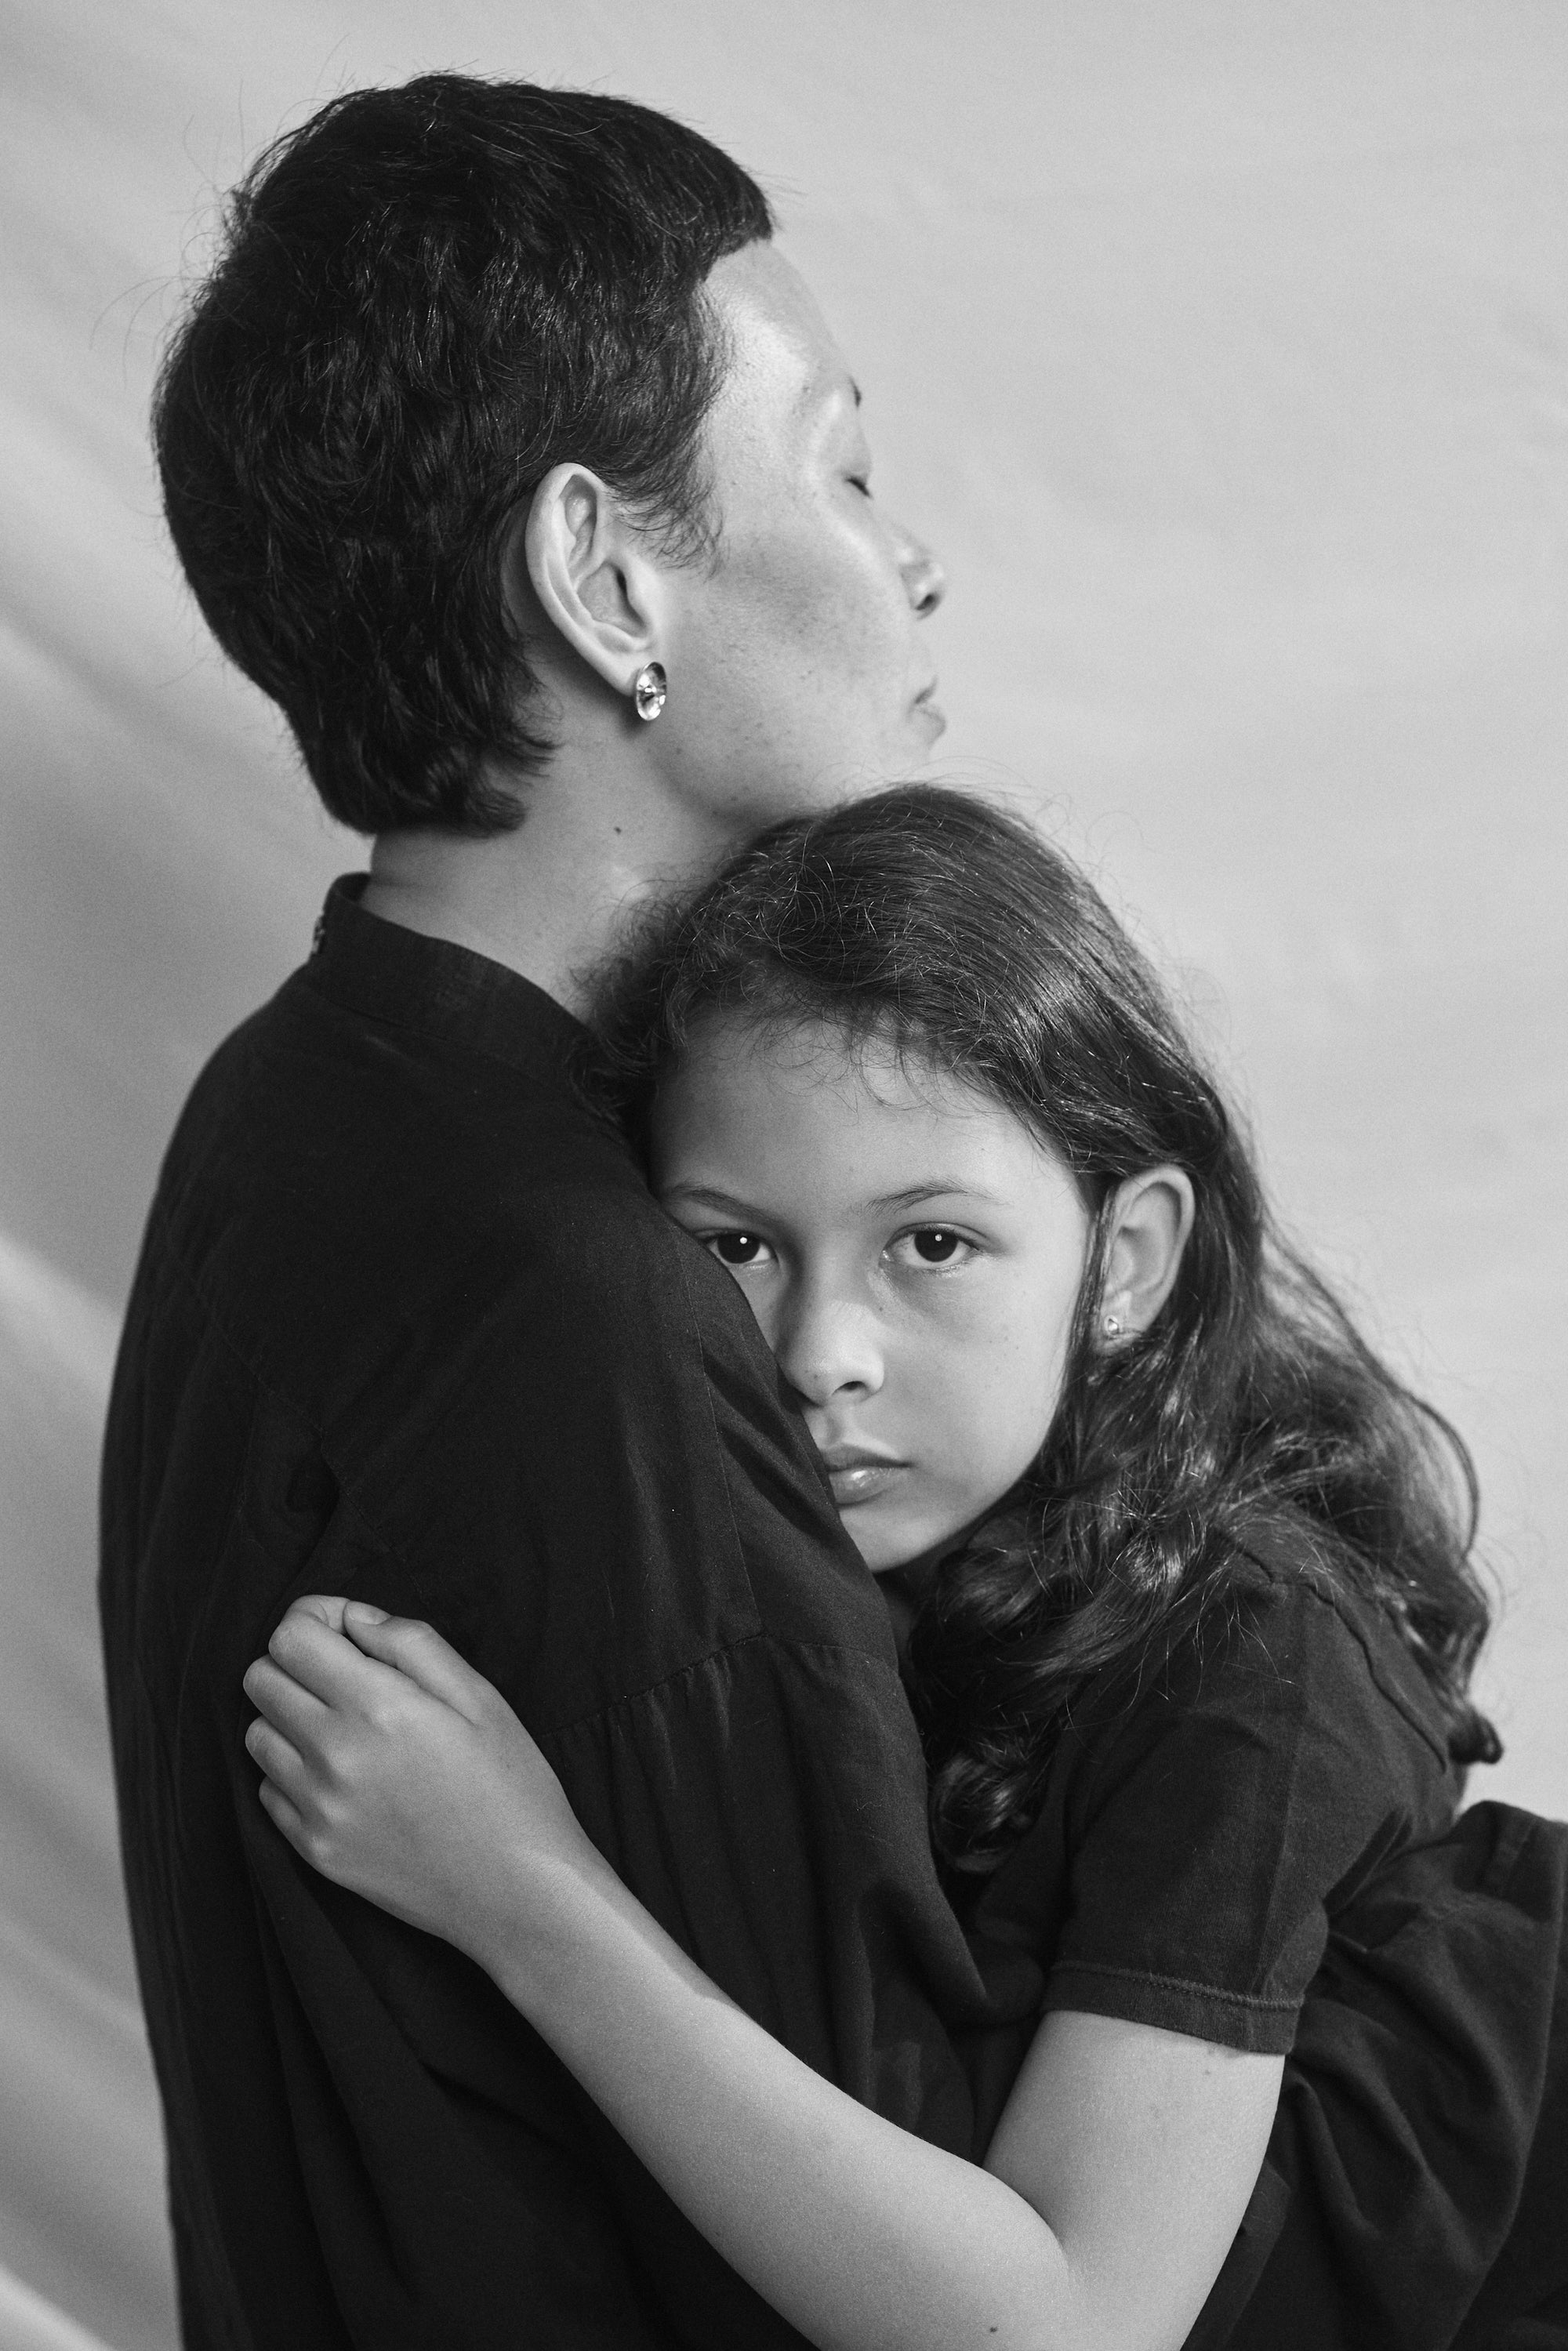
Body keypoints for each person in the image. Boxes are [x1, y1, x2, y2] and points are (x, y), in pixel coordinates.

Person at [244, 789, 1568, 2351]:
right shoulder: (815, 1572)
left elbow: (1070, 2329)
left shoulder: (1252, 1660)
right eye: (733, 1245)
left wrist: (518, 1891)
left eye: (930, 1245)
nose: (820, 1356)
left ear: (1123, 1259)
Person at [99, 77, 991, 2351]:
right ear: (605, 578)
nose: (913, 560)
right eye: (848, 466)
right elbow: (906, 2247)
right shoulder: (587, 1309)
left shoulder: (298, 1108)